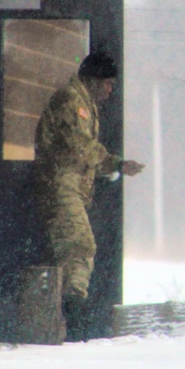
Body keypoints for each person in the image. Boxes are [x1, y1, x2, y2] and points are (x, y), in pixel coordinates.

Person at [32, 53, 145, 340]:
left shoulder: (84, 103)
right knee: (79, 246)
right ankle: (74, 317)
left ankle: (60, 318)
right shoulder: (72, 102)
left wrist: (114, 165)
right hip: (61, 188)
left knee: (68, 253)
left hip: (71, 189)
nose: (110, 90)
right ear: (93, 80)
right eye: (107, 84)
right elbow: (79, 146)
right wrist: (116, 164)